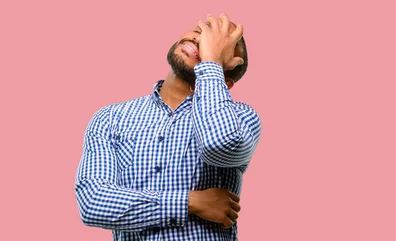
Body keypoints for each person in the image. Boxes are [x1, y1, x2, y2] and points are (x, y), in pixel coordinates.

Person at [74, 14, 261, 241]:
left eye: (215, 44)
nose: (198, 40)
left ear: (226, 82)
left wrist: (210, 61)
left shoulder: (242, 118)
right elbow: (93, 203)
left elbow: (218, 143)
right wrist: (189, 202)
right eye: (200, 31)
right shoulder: (111, 118)